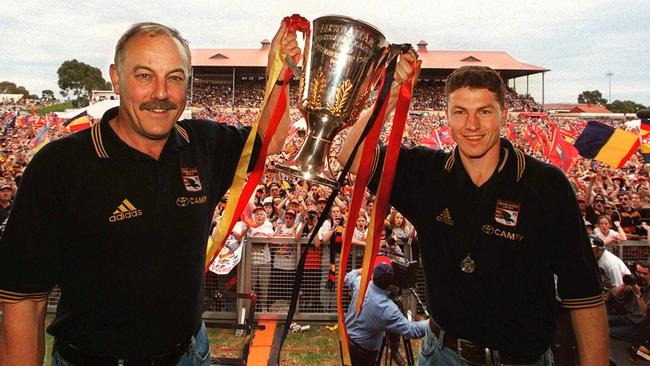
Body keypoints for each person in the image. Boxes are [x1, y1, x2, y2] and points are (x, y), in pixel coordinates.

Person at [0, 21, 299, 365]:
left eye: (174, 77)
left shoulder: (203, 143)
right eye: (144, 75)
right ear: (115, 78)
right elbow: (25, 302)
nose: (161, 93)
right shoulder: (60, 165)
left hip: (189, 354)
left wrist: (277, 73)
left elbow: (271, 140)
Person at [339, 63, 608, 365]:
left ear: (504, 115)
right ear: (447, 118)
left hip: (523, 359)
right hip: (443, 354)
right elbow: (350, 155)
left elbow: (584, 294)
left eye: (484, 111)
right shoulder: (427, 173)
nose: (471, 125)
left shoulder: (547, 186)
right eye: (460, 112)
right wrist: (389, 96)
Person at [344, 265, 428, 366]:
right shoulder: (387, 309)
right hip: (364, 354)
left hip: (346, 342)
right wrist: (431, 324)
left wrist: (364, 269)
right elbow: (412, 330)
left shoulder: (360, 284)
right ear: (390, 284)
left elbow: (349, 276)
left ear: (372, 276)